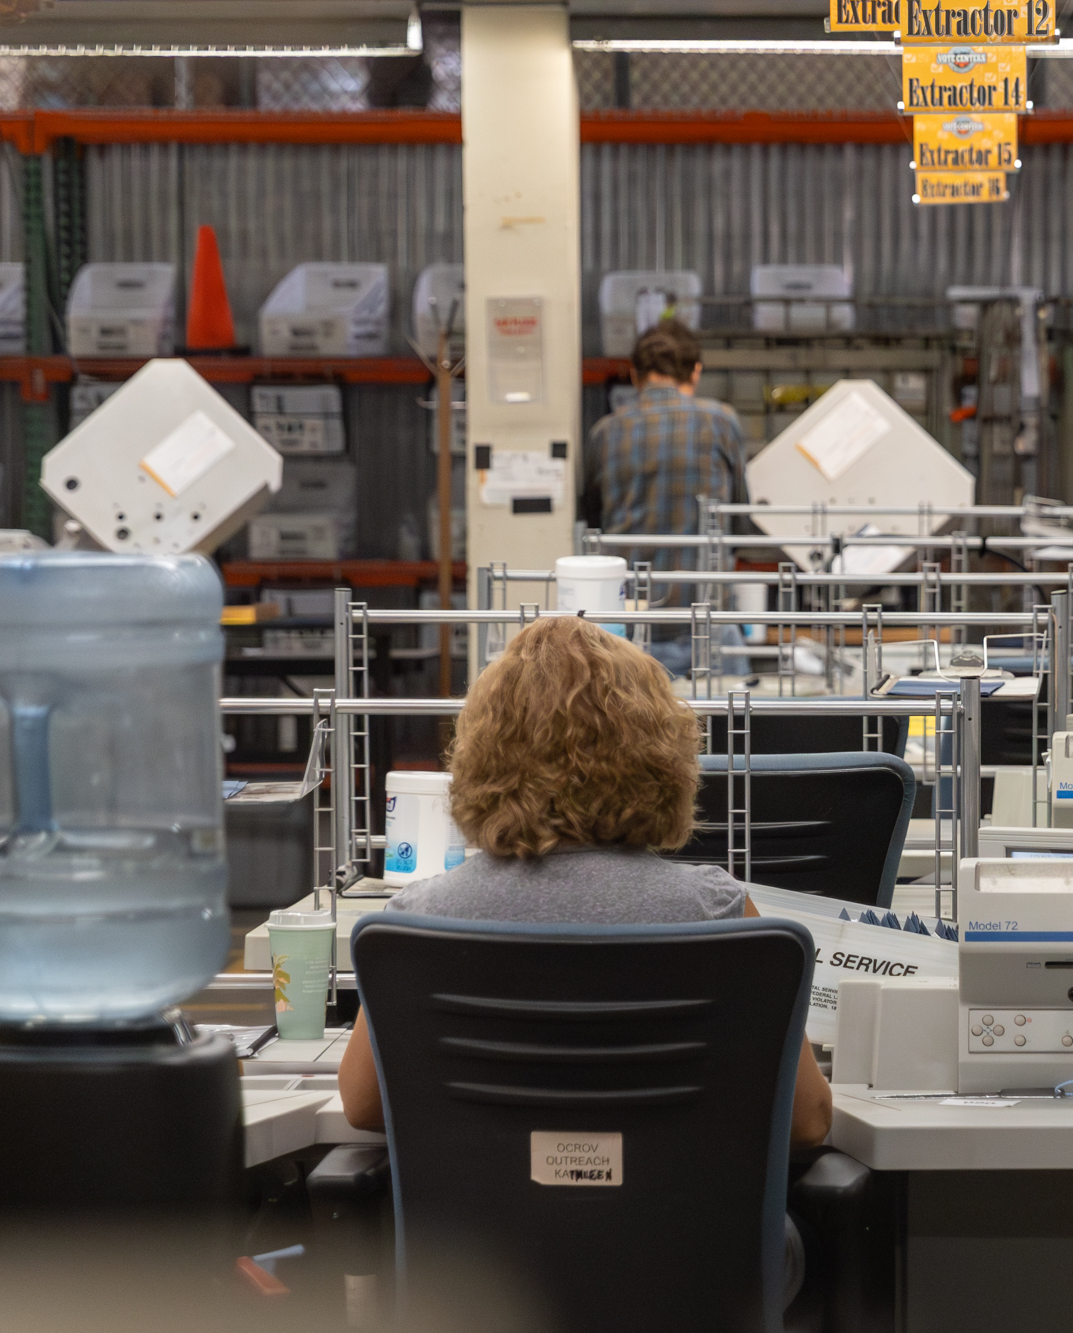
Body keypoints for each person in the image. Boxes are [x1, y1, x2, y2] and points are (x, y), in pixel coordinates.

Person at [337, 615, 833, 1152]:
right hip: (673, 1228)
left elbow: (363, 1104)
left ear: (480, 758)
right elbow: (808, 1121)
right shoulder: (715, 911)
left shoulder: (421, 914)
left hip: (476, 1233)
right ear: (663, 758)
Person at [581, 317, 750, 678]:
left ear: (633, 374)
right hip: (707, 624)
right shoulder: (721, 422)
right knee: (728, 732)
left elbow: (592, 527)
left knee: (633, 733)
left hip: (627, 632)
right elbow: (739, 522)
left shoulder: (604, 433)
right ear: (696, 372)